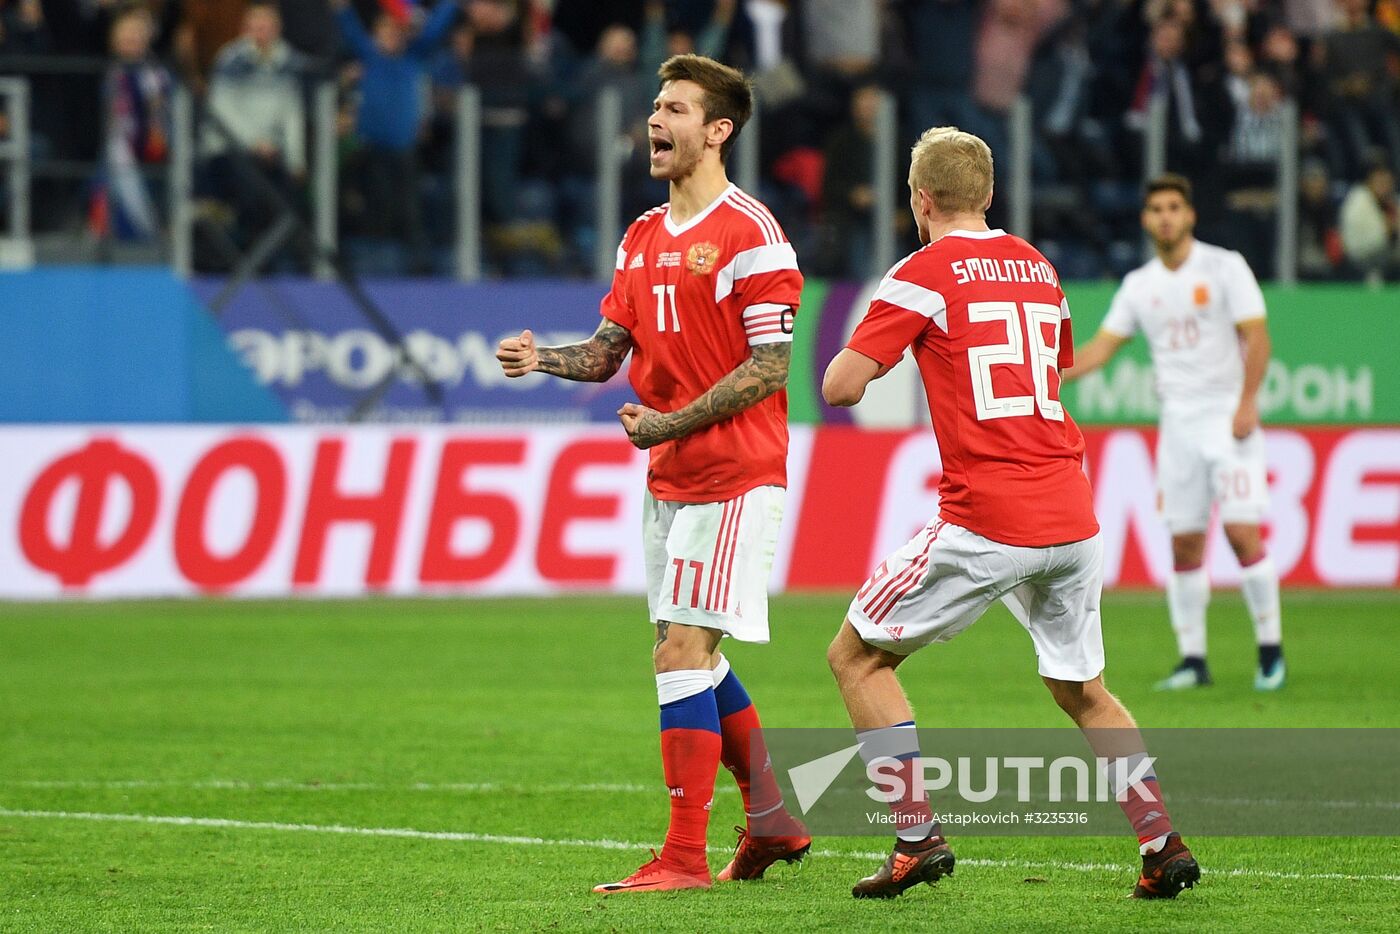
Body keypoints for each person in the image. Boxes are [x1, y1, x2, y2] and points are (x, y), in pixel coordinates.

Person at [822, 126, 1200, 901]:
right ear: (990, 195)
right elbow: (1052, 366)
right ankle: (1162, 845)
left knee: (856, 658)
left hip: (987, 516)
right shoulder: (1039, 266)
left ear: (919, 200)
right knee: (1084, 688)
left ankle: (915, 837)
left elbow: (840, 387)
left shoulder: (920, 272)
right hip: (1071, 510)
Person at [496, 53, 810, 895]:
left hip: (737, 476)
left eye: (673, 109)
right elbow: (607, 356)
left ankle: (682, 858)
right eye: (653, 108)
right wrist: (542, 362)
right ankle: (775, 819)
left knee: (680, 649)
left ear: (718, 131)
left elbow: (771, 366)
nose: (654, 122)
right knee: (691, 659)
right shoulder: (640, 236)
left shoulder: (753, 235)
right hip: (670, 474)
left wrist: (669, 422)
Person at [1065, 174, 1284, 692]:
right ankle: (1193, 660)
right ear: (1145, 220)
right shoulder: (1140, 286)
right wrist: (1047, 373)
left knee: (1241, 534)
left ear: (1189, 216)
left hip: (1228, 422)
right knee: (1185, 545)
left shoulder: (1224, 267)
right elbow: (1099, 349)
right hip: (1178, 428)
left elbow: (1257, 338)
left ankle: (1271, 653)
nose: (1165, 216)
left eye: (1173, 207)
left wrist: (1248, 400)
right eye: (1156, 209)